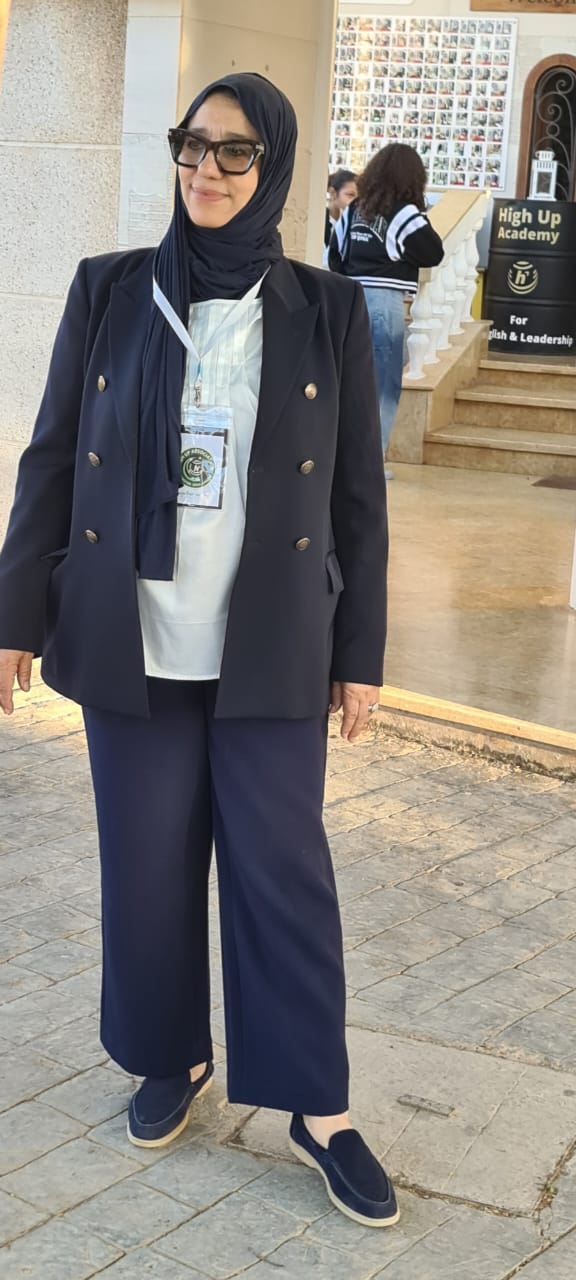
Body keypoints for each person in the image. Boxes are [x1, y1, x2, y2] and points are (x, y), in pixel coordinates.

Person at [0, 74, 396, 1228]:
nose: (206, 170)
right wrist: (15, 616)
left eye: (234, 152)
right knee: (147, 865)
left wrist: (361, 652)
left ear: (273, 167)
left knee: (283, 874)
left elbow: (360, 499)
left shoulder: (324, 309)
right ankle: (168, 1054)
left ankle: (318, 1105)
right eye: (192, 145)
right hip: (134, 639)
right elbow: (51, 457)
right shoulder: (111, 289)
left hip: (270, 643)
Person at [329, 142, 443, 478]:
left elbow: (335, 256)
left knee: (347, 382)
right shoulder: (403, 213)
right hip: (384, 303)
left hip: (349, 299)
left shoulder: (354, 209)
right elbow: (432, 252)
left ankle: (340, 459)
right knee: (382, 386)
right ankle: (369, 465)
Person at [323, 168, 357, 263]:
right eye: (350, 195)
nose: (356, 202)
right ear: (333, 193)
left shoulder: (356, 226)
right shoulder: (321, 222)